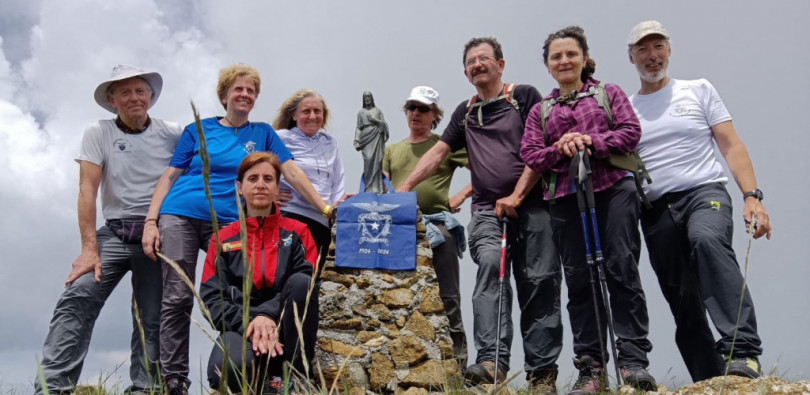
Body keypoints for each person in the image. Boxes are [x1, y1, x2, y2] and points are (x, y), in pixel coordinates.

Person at [141, 64, 332, 395]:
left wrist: (326, 209)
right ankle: (174, 378)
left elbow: (292, 172)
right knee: (178, 295)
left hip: (230, 221)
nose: (245, 94)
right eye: (238, 89)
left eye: (251, 91)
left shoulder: (263, 133)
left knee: (252, 282)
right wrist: (150, 221)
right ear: (224, 95)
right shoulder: (198, 129)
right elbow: (170, 175)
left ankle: (273, 366)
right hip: (182, 212)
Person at [396, 37, 562, 393]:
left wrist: (518, 194)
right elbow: (438, 153)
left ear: (500, 64)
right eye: (471, 61)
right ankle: (491, 363)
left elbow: (540, 147)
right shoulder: (466, 112)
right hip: (487, 211)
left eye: (484, 58)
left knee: (539, 282)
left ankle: (541, 373)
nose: (477, 65)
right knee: (489, 269)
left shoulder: (524, 96)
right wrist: (405, 186)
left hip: (534, 206)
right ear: (466, 73)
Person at [626, 20, 771, 381]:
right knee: (681, 295)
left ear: (669, 50)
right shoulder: (626, 109)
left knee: (707, 241)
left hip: (704, 193)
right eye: (643, 49)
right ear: (631, 57)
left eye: (658, 46)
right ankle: (709, 379)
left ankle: (743, 352)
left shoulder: (698, 89)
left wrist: (752, 197)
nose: (652, 55)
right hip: (655, 209)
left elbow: (731, 145)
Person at [520, 26, 656, 393]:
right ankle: (591, 368)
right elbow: (530, 154)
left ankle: (633, 363)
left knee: (621, 268)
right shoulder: (540, 111)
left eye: (571, 54)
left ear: (584, 58)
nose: (564, 61)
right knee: (579, 281)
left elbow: (630, 132)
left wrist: (589, 141)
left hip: (614, 189)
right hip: (565, 197)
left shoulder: (609, 93)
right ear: (548, 65)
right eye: (556, 56)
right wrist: (560, 147)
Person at [35, 65, 182, 394]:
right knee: (77, 296)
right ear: (112, 100)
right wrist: (89, 249)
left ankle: (147, 389)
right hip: (114, 233)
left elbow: (201, 168)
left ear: (151, 96)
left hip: (157, 235)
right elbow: (87, 190)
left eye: (140, 91)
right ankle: (52, 388)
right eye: (125, 92)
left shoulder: (172, 132)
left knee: (153, 316)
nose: (134, 98)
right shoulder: (98, 132)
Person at [200, 152, 318, 393]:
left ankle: (296, 378)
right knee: (225, 370)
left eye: (268, 179)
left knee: (301, 282)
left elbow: (306, 283)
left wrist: (267, 315)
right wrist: (252, 322)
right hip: (241, 328)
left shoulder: (299, 232)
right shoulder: (222, 239)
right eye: (253, 178)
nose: (260, 185)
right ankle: (263, 382)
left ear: (277, 188)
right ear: (239, 187)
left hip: (286, 330)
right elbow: (211, 299)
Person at [382, 85, 471, 370]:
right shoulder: (391, 150)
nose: (415, 113)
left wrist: (461, 195)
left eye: (423, 109)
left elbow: (485, 169)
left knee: (448, 293)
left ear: (435, 115)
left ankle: (457, 364)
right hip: (399, 226)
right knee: (396, 292)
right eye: (411, 107)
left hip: (437, 224)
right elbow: (381, 186)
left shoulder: (445, 145)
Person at [272, 89, 345, 270]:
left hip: (322, 222)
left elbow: (337, 179)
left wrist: (335, 211)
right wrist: (270, 194)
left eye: (317, 111)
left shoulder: (330, 142)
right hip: (291, 215)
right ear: (294, 115)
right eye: (306, 111)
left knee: (315, 276)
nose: (312, 116)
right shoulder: (280, 137)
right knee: (287, 273)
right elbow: (253, 168)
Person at [354, 91, 389, 194]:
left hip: (376, 136)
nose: (367, 99)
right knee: (368, 160)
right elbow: (358, 127)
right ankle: (368, 187)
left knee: (377, 162)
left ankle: (377, 188)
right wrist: (356, 140)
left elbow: (384, 124)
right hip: (366, 138)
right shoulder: (361, 112)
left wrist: (374, 120)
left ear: (372, 98)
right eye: (365, 97)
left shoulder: (377, 111)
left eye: (369, 97)